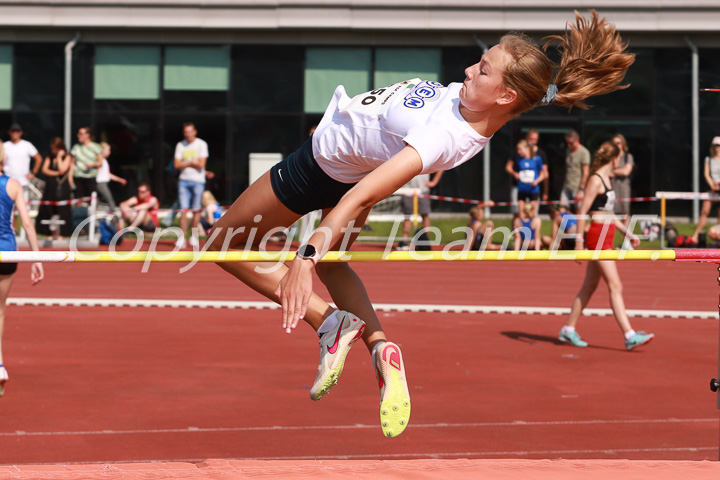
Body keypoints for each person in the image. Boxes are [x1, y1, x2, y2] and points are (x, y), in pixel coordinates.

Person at [205, 10, 635, 437]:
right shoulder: (489, 102)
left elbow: (362, 195)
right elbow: (539, 92)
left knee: (222, 244)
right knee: (337, 265)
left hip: (318, 169)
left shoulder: (445, 136)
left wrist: (305, 255)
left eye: (482, 69)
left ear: (504, 96)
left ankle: (327, 320)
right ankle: (380, 347)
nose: (467, 70)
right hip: (346, 165)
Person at [558, 140, 654, 351]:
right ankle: (629, 335)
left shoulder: (607, 180)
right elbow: (582, 211)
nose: (620, 160)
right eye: (619, 157)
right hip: (597, 237)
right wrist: (579, 245)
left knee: (590, 286)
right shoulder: (595, 180)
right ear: (613, 158)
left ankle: (568, 329)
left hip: (607, 235)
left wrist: (626, 232)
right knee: (615, 285)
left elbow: (609, 213)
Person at [0, 173, 45, 396]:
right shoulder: (13, 184)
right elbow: (26, 222)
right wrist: (37, 258)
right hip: (7, 252)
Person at [173, 123, 208, 249]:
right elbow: (176, 165)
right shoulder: (180, 145)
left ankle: (194, 237)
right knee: (183, 210)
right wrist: (193, 161)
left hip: (198, 180)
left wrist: (185, 163)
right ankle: (182, 238)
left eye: (190, 131)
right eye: (186, 132)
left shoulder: (201, 144)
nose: (188, 134)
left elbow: (201, 165)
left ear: (195, 131)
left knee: (196, 210)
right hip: (183, 180)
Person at [35, 138, 73, 241]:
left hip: (62, 187)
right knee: (48, 208)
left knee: (63, 210)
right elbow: (44, 170)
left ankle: (62, 233)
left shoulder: (67, 157)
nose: (54, 151)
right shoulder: (50, 157)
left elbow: (62, 169)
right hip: (50, 186)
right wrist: (55, 173)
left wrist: (60, 157)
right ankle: (49, 232)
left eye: (56, 149)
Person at [396, 172, 443, 250]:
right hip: (408, 190)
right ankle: (404, 241)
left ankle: (424, 241)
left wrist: (434, 182)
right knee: (407, 215)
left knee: (425, 215)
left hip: (423, 190)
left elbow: (441, 168)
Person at [691, 137, 720, 244]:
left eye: (719, 145)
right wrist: (713, 185)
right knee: (704, 211)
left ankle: (718, 240)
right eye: (716, 145)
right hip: (712, 190)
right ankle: (696, 236)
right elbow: (706, 174)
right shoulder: (708, 159)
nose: (717, 148)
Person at [2, 123, 43, 193]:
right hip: (8, 182)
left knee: (22, 203)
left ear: (21, 132)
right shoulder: (4, 146)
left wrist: (33, 173)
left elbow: (38, 158)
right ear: (9, 132)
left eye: (17, 131)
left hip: (23, 182)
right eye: (13, 131)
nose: (15, 133)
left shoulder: (27, 145)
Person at [610, 134, 634, 247]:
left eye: (618, 143)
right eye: (614, 143)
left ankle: (627, 241)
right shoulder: (610, 157)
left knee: (625, 214)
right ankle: (610, 241)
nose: (616, 145)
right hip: (612, 187)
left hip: (623, 187)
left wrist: (614, 171)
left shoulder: (627, 156)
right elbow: (607, 172)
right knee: (611, 213)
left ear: (623, 144)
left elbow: (626, 172)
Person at [512, 138, 546, 215]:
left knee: (532, 214)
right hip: (522, 189)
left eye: (520, 149)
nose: (518, 152)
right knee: (521, 214)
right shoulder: (518, 160)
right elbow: (516, 172)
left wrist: (537, 181)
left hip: (533, 190)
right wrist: (515, 174)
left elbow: (543, 174)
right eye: (518, 149)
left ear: (527, 148)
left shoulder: (537, 159)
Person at [70, 126, 103, 201]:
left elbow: (100, 163)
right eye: (78, 133)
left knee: (90, 200)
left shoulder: (96, 147)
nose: (78, 135)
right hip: (78, 177)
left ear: (87, 135)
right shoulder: (76, 147)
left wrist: (92, 164)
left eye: (81, 133)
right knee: (78, 200)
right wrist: (70, 177)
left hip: (91, 177)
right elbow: (72, 164)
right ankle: (78, 213)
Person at [561, 129, 591, 208]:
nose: (569, 145)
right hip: (567, 185)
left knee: (579, 211)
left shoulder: (584, 152)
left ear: (577, 140)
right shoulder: (568, 151)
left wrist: (581, 189)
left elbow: (586, 172)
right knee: (562, 209)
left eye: (571, 143)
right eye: (567, 143)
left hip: (577, 186)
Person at [96, 142, 127, 211]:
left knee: (101, 200)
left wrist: (119, 179)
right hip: (100, 183)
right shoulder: (99, 160)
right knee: (109, 200)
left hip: (104, 182)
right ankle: (114, 216)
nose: (109, 152)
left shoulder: (104, 161)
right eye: (108, 150)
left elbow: (107, 174)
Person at [525, 128, 550, 203]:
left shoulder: (540, 156)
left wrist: (545, 191)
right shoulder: (520, 153)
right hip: (522, 188)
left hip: (534, 187)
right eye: (530, 139)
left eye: (535, 139)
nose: (532, 142)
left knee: (533, 212)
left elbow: (545, 173)